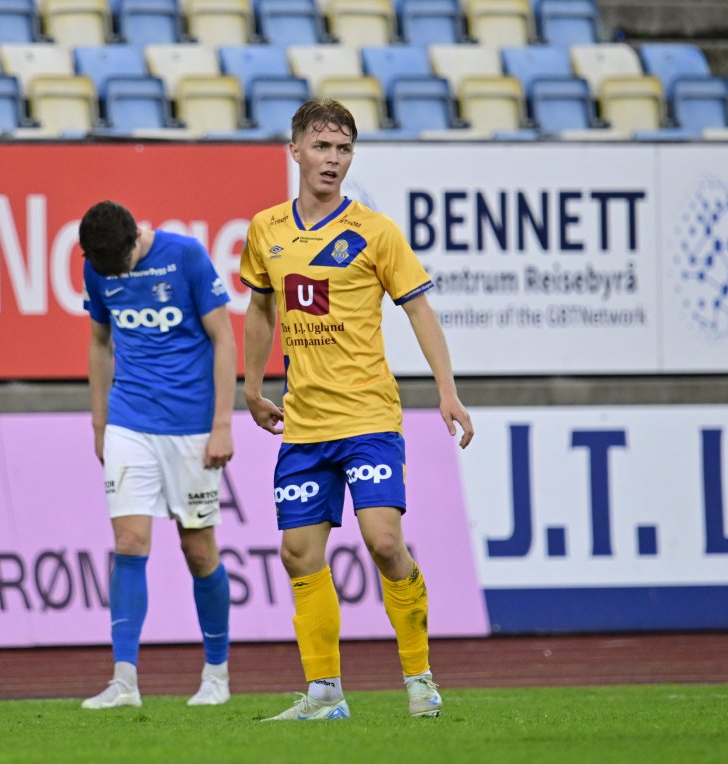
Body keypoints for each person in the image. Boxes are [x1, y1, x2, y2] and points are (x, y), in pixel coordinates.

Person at [238, 100, 474, 721]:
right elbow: (260, 309)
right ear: (295, 151)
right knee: (297, 552)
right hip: (305, 424)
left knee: (384, 541)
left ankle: (420, 679)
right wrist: (252, 387)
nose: (333, 160)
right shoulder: (265, 229)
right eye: (321, 147)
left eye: (343, 149)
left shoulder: (375, 231)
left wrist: (447, 390)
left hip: (368, 418)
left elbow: (419, 309)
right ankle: (325, 695)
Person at [78, 200, 237, 709]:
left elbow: (223, 338)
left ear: (135, 240)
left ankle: (216, 675)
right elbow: (99, 342)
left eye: (118, 264)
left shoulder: (186, 256)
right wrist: (100, 423)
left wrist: (222, 425)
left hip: (192, 426)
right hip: (129, 421)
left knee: (198, 550)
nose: (112, 274)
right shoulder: (98, 265)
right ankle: (124, 681)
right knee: (129, 542)